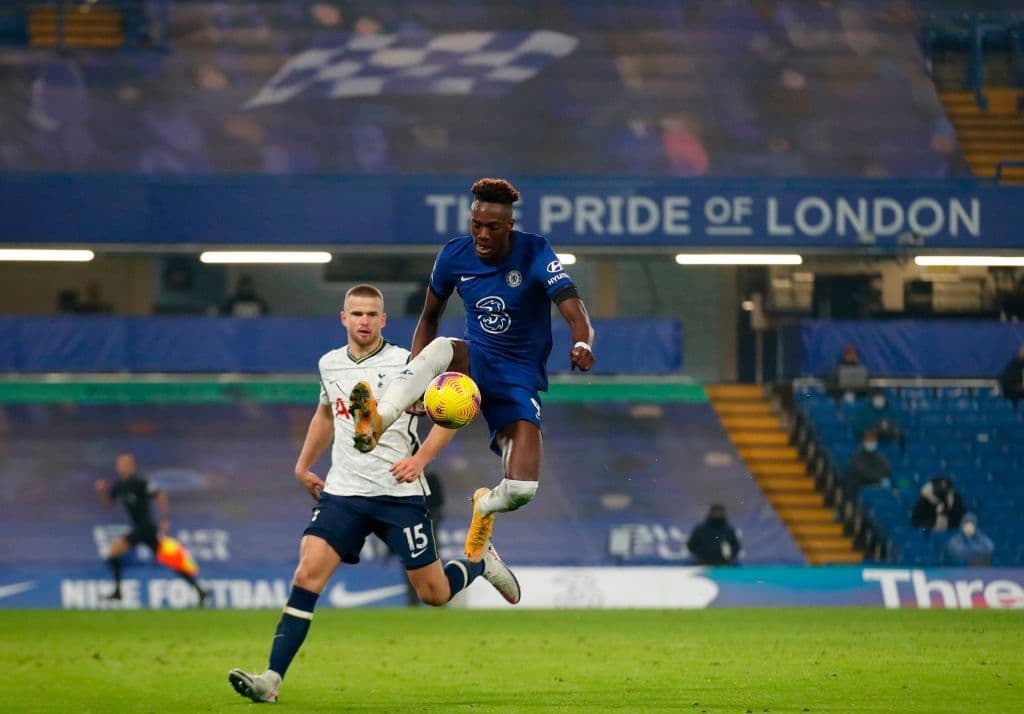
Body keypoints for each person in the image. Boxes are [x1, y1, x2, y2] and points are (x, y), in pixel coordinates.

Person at [228, 284, 520, 704]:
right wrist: (302, 465)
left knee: (433, 594)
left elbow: (454, 412)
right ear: (343, 318)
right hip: (343, 492)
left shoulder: (409, 363)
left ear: (383, 320)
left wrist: (421, 462)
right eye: (356, 313)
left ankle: (478, 564)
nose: (364, 321)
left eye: (371, 314)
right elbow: (325, 414)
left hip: (399, 494)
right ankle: (271, 679)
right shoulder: (329, 364)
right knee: (306, 575)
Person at [345, 178, 596, 563]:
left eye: (492, 227)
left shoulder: (535, 251)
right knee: (443, 346)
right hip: (476, 358)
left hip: (518, 377)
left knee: (521, 490)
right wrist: (414, 380)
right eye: (475, 224)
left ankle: (484, 507)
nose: (481, 234)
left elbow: (573, 308)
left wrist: (581, 342)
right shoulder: (453, 256)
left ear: (509, 226)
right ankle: (378, 419)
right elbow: (430, 316)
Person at [93, 453, 208, 605]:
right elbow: (108, 504)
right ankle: (199, 590)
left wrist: (165, 518)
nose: (122, 468)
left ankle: (118, 591)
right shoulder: (120, 485)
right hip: (140, 530)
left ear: (131, 466)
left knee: (115, 551)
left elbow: (160, 494)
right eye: (120, 465)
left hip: (147, 528)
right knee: (166, 559)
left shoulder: (140, 482)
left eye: (125, 464)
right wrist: (102, 492)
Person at [842, 429, 891, 502]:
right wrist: (877, 478)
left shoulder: (881, 457)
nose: (871, 442)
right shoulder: (856, 457)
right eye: (869, 440)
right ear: (864, 441)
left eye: (873, 440)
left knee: (892, 485)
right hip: (859, 488)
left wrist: (876, 479)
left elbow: (886, 470)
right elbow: (861, 472)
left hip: (877, 487)